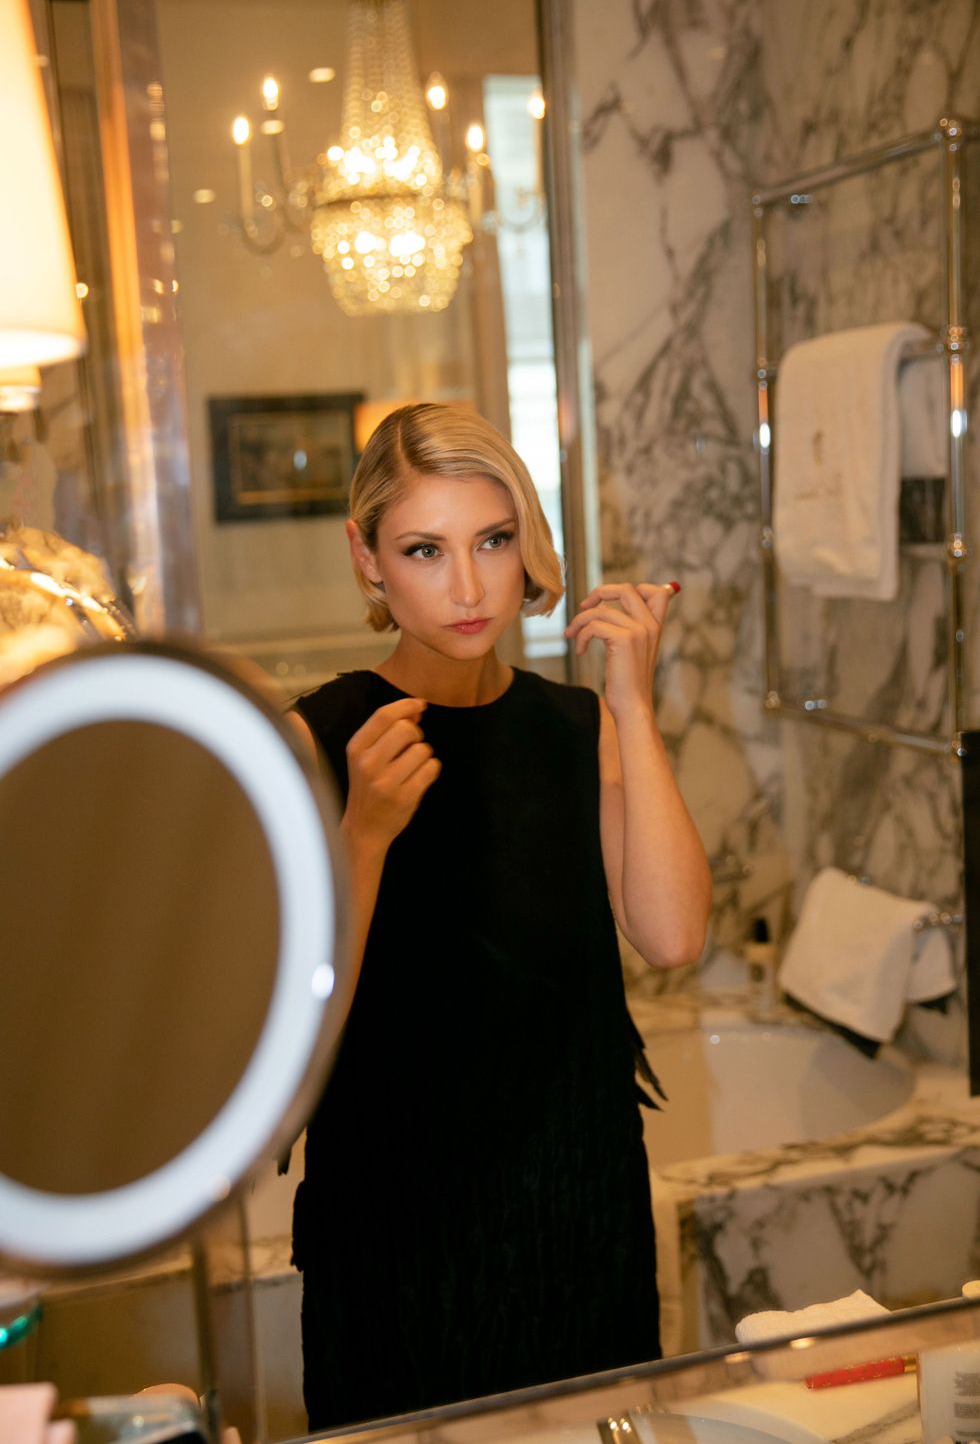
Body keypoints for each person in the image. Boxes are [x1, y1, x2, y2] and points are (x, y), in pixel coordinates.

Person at [289, 403, 711, 1430]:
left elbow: (671, 935)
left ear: (527, 540)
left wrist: (631, 706)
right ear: (367, 560)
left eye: (491, 540)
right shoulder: (320, 738)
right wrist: (364, 837)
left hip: (577, 1210)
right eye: (423, 550)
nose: (469, 587)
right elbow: (289, 1047)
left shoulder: (575, 727)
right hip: (398, 1234)